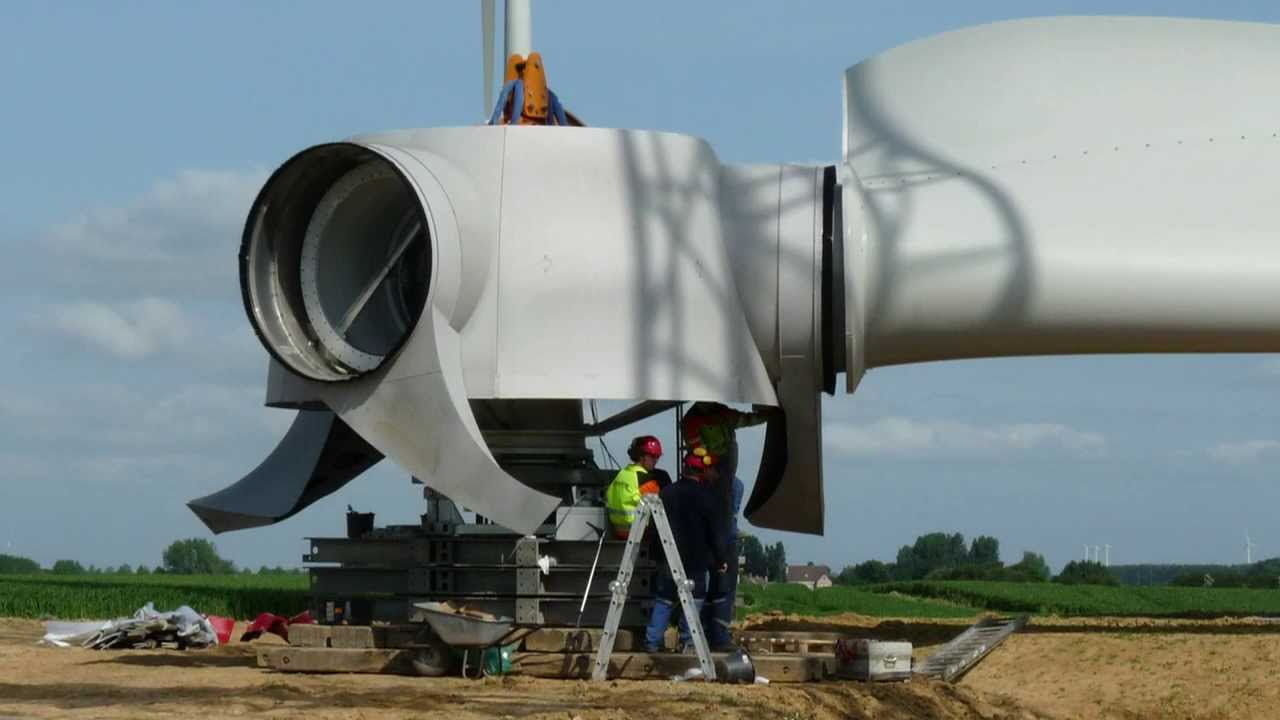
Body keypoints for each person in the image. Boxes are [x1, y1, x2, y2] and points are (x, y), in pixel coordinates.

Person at [644, 454, 729, 653]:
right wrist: (720, 559)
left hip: (668, 556)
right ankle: (688, 641)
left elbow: (655, 527)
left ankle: (652, 642)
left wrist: (656, 555)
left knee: (664, 598)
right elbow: (715, 532)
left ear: (684, 468)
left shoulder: (667, 493)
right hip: (696, 560)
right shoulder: (708, 496)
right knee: (695, 598)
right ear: (701, 471)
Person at [702, 471, 744, 650]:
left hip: (710, 543)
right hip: (724, 544)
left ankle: (707, 634)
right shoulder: (735, 485)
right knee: (722, 592)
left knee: (709, 592)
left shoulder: (707, 488)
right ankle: (718, 637)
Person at [680, 402, 773, 481]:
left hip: (720, 462)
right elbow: (696, 446)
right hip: (713, 464)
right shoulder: (693, 419)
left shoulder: (721, 412)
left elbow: (746, 419)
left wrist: (767, 415)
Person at [604, 435, 663, 539]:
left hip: (618, 532)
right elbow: (659, 509)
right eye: (653, 456)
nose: (656, 460)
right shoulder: (646, 480)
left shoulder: (622, 474)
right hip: (639, 533)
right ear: (641, 456)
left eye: (657, 456)